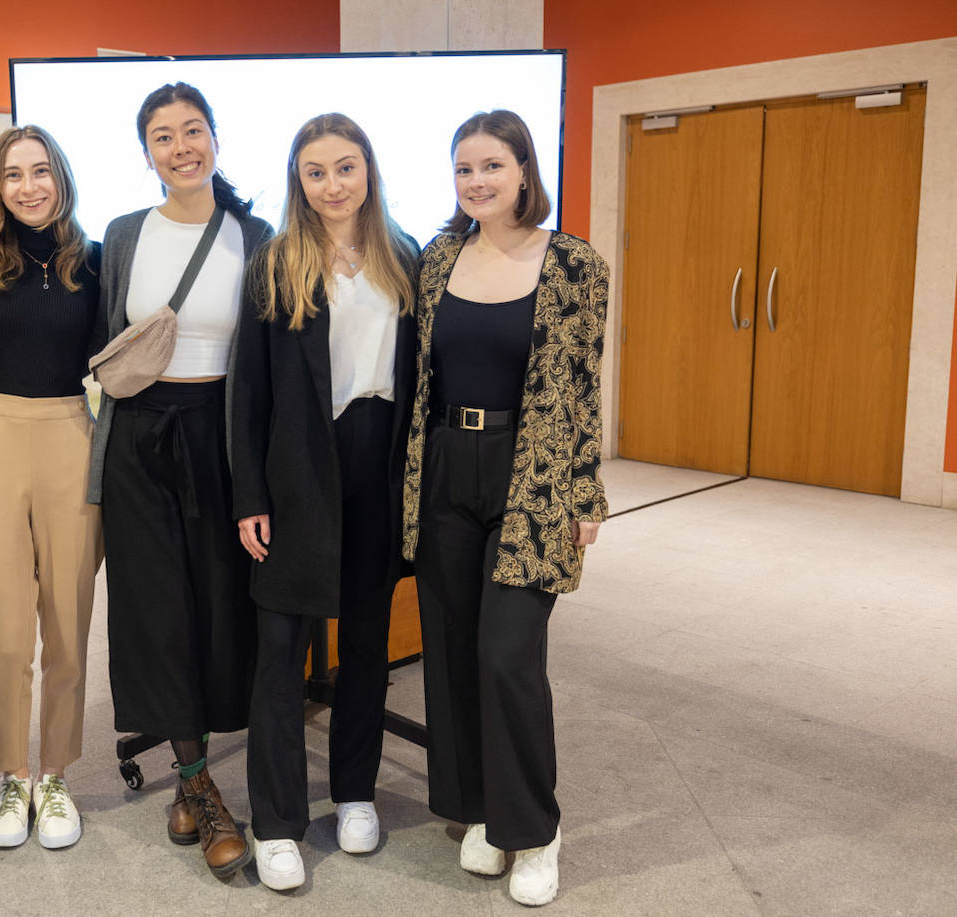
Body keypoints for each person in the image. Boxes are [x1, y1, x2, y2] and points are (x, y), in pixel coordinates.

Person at [401, 110, 608, 907]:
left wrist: (587, 491)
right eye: (463, 169)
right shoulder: (438, 257)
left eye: (492, 164)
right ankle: (483, 811)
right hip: (450, 463)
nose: (477, 181)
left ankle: (537, 827)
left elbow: (583, 388)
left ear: (525, 168)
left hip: (537, 476)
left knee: (508, 655)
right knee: (451, 649)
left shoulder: (575, 265)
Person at [86, 81, 273, 878]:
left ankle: (187, 784)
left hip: (221, 438)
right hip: (139, 441)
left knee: (219, 610)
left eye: (192, 130)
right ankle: (201, 788)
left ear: (216, 139)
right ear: (147, 154)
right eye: (163, 137)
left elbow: (265, 356)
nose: (181, 147)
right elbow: (105, 345)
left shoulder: (255, 234)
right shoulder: (123, 234)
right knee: (157, 610)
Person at [230, 113, 418, 891]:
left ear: (368, 170)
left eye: (346, 167)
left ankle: (353, 792)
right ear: (297, 181)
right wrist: (250, 494)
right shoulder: (277, 263)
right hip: (299, 467)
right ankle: (275, 820)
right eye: (316, 171)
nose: (333, 184)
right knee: (280, 652)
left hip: (379, 463)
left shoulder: (404, 259)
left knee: (368, 648)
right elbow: (250, 393)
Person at [0, 125, 104, 851]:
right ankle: (11, 774)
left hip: (73, 437)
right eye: (13, 174)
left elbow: (118, 357)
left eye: (41, 171)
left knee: (68, 627)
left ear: (61, 177)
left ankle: (55, 775)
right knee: (8, 632)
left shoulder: (96, 262)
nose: (28, 186)